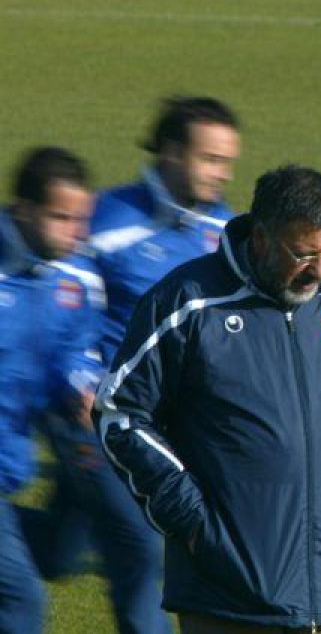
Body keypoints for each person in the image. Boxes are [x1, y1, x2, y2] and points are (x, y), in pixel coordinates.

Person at [93, 165, 321, 632]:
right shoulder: (187, 303)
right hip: (228, 596)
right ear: (261, 238)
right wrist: (191, 519)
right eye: (304, 253)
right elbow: (121, 413)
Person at [20, 95, 241, 634]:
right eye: (210, 159)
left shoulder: (229, 233)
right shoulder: (104, 222)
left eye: (227, 162)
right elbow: (59, 303)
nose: (221, 173)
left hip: (172, 424)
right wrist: (82, 379)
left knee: (57, 554)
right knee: (140, 547)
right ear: (170, 153)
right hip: (95, 415)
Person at [0, 146, 99, 634]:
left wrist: (82, 385)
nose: (76, 232)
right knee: (21, 600)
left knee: (58, 555)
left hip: (13, 461)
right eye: (61, 217)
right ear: (23, 210)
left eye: (80, 218)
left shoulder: (69, 281)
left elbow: (76, 350)